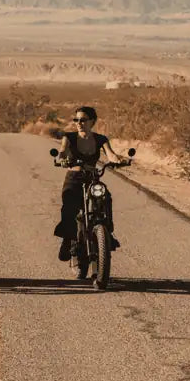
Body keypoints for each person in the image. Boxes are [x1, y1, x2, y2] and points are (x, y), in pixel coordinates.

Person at [54, 106, 128, 268]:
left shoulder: (100, 139)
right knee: (69, 208)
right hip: (74, 178)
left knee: (105, 198)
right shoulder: (69, 137)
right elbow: (63, 151)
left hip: (92, 178)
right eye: (76, 120)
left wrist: (118, 160)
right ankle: (67, 240)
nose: (79, 123)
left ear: (92, 121)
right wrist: (63, 158)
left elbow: (110, 154)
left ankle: (107, 233)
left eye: (83, 120)